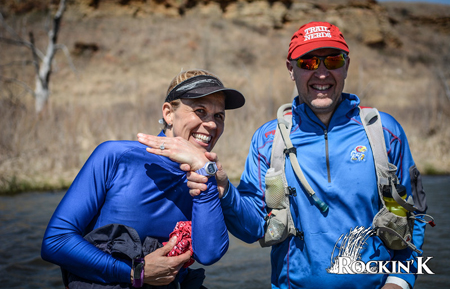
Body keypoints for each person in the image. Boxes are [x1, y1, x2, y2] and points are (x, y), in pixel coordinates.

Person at [137, 22, 428, 289]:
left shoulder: (384, 131)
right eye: (309, 62)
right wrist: (224, 189)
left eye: (333, 60)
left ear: (347, 65)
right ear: (291, 68)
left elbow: (412, 216)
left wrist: (400, 282)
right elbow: (253, 229)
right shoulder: (268, 139)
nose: (322, 72)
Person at [41, 69, 245, 288]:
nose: (212, 124)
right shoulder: (116, 157)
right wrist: (134, 272)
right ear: (168, 113)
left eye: (219, 116)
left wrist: (205, 174)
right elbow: (55, 242)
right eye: (200, 110)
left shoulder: (205, 175)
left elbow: (209, 253)